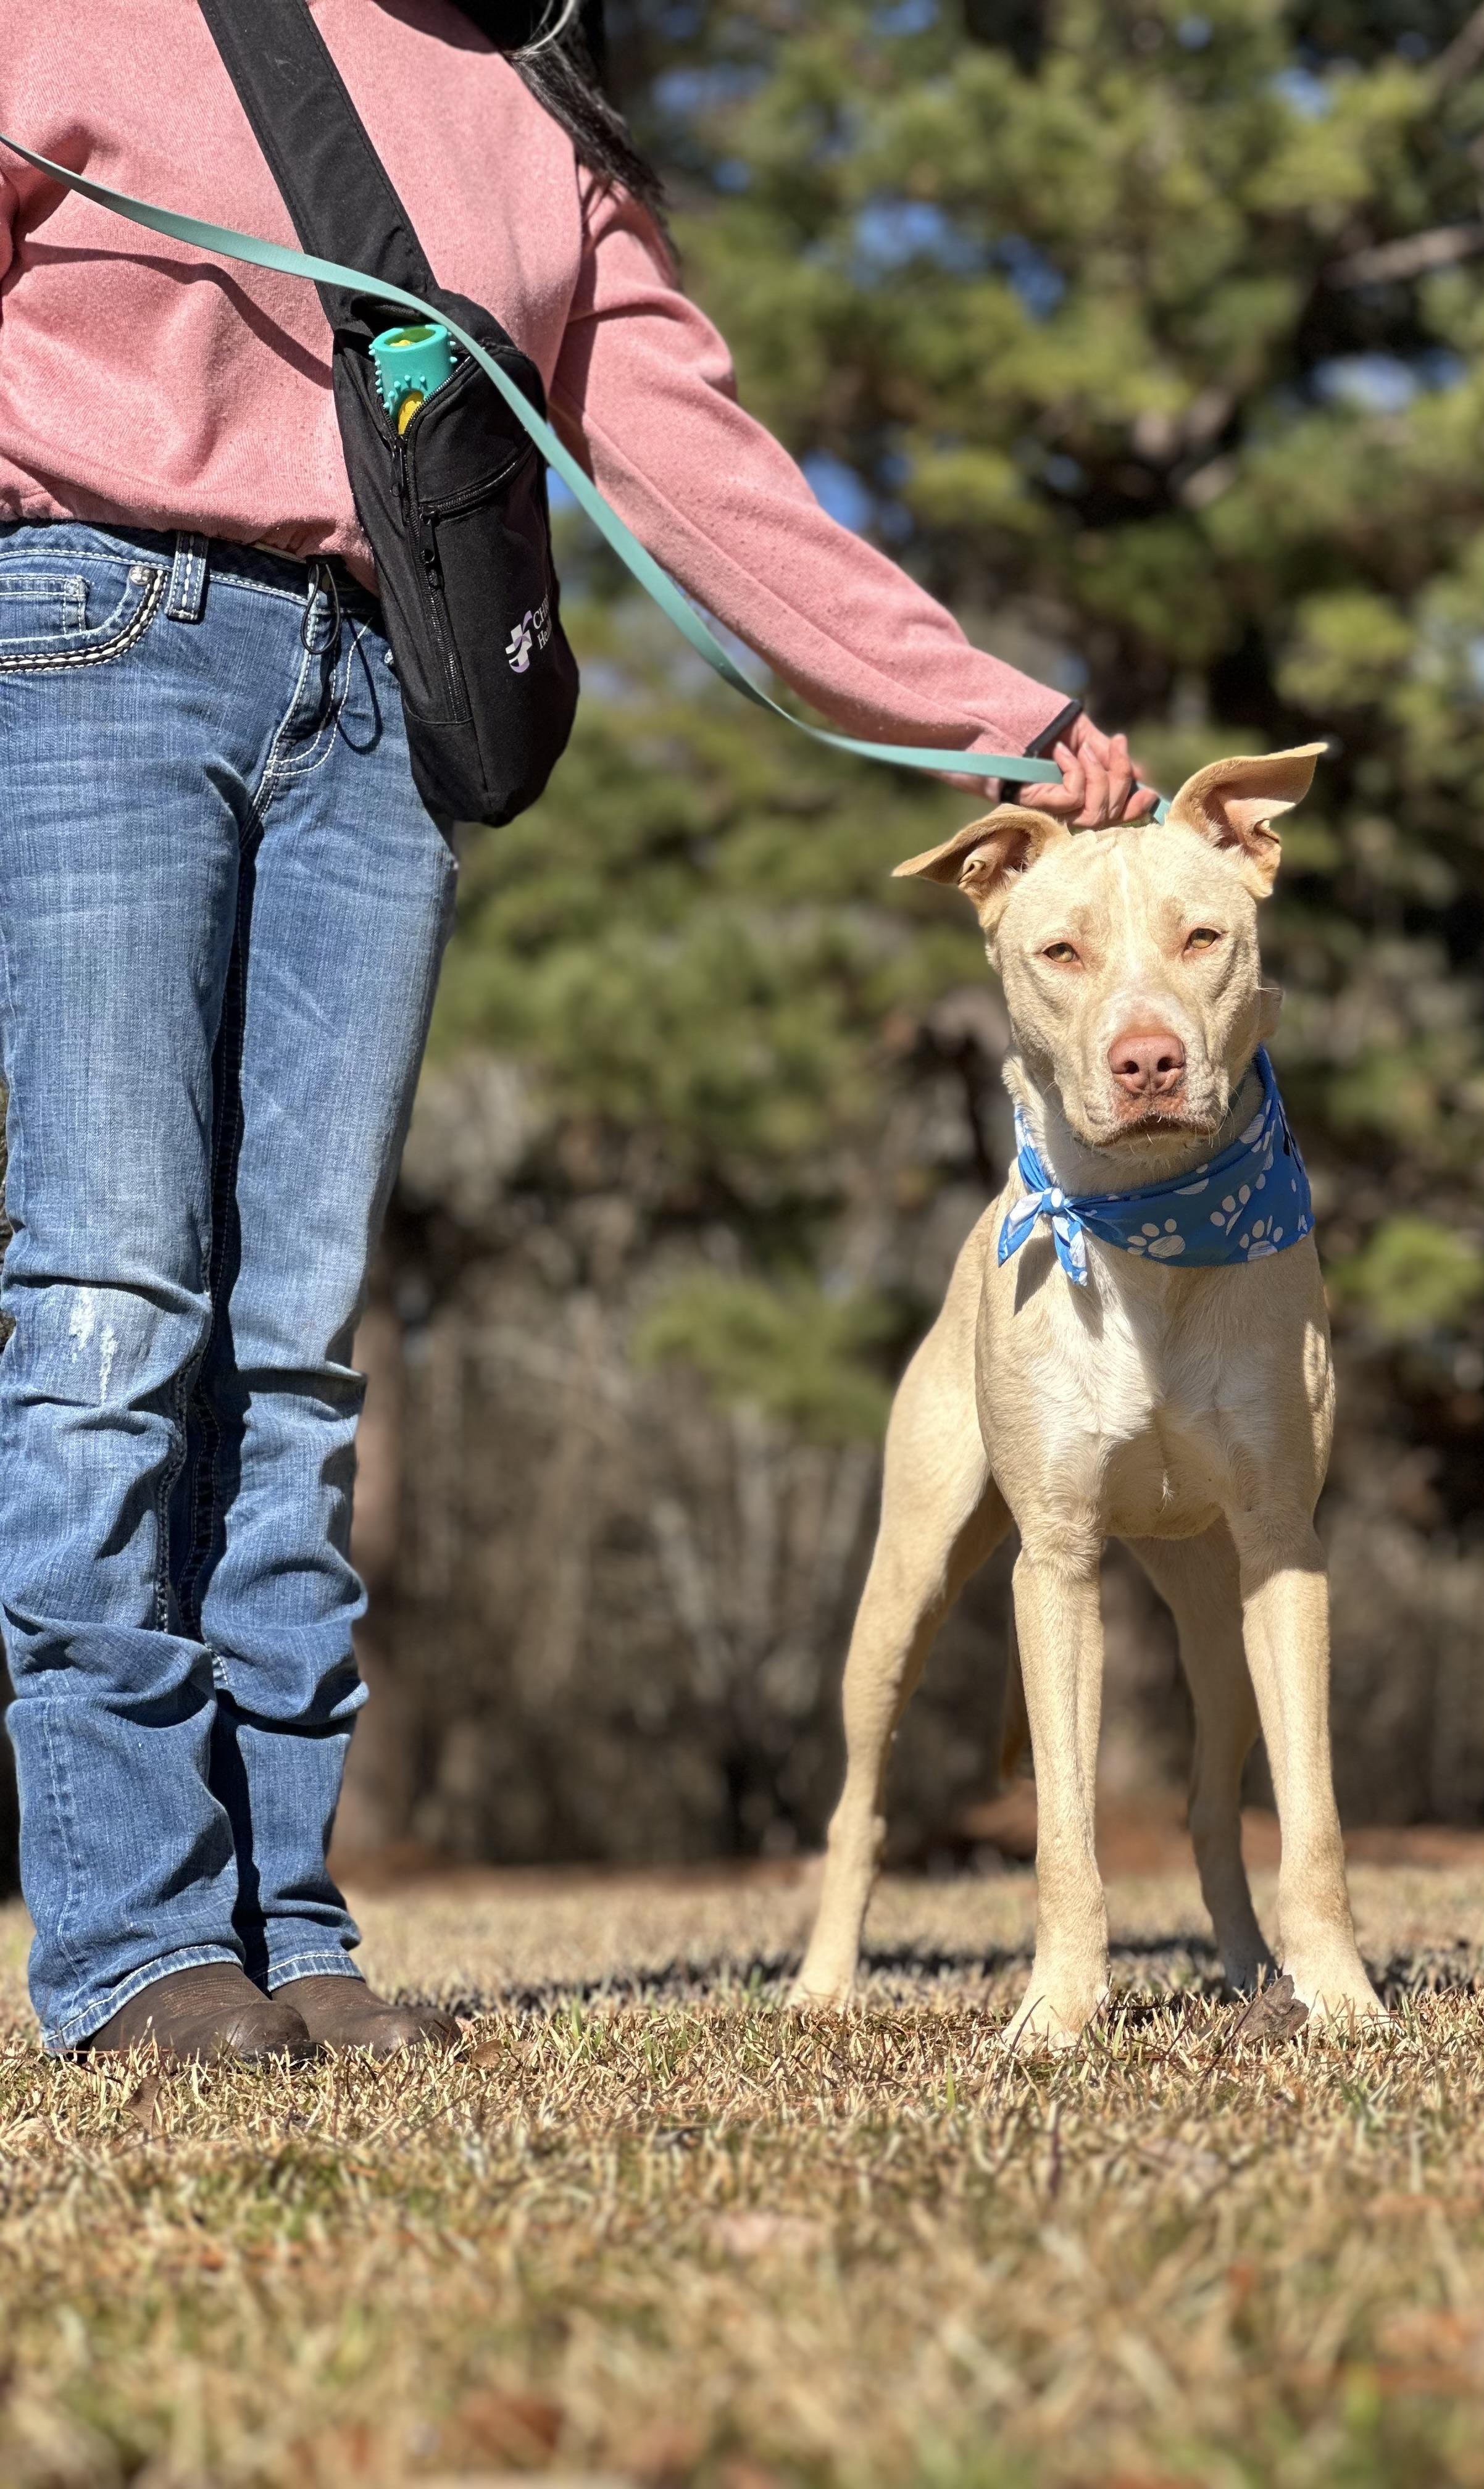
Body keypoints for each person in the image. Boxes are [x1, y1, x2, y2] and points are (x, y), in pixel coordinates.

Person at [0, 0, 1153, 2064]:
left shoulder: (538, 105)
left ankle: (285, 1923)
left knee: (292, 1347)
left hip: (386, 708)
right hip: (88, 642)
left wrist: (1010, 719)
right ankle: (127, 1939)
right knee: (110, 1302)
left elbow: (711, 484)